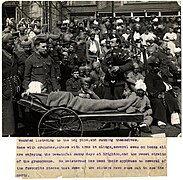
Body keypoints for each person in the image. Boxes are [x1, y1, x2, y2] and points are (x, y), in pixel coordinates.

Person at [145, 57, 180, 129]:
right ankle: (161, 121)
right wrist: (157, 94)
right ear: (152, 67)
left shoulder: (162, 75)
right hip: (155, 95)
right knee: (158, 103)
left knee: (172, 101)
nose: (156, 68)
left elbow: (167, 83)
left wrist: (170, 90)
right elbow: (150, 88)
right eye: (155, 67)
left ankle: (175, 121)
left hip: (165, 93)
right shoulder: (149, 76)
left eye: (157, 66)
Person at [2, 33, 22, 136]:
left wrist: (18, 76)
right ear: (4, 45)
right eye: (10, 44)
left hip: (13, 86)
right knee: (6, 112)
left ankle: (11, 132)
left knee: (13, 112)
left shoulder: (13, 55)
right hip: (5, 87)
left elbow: (20, 65)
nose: (13, 46)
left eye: (13, 44)